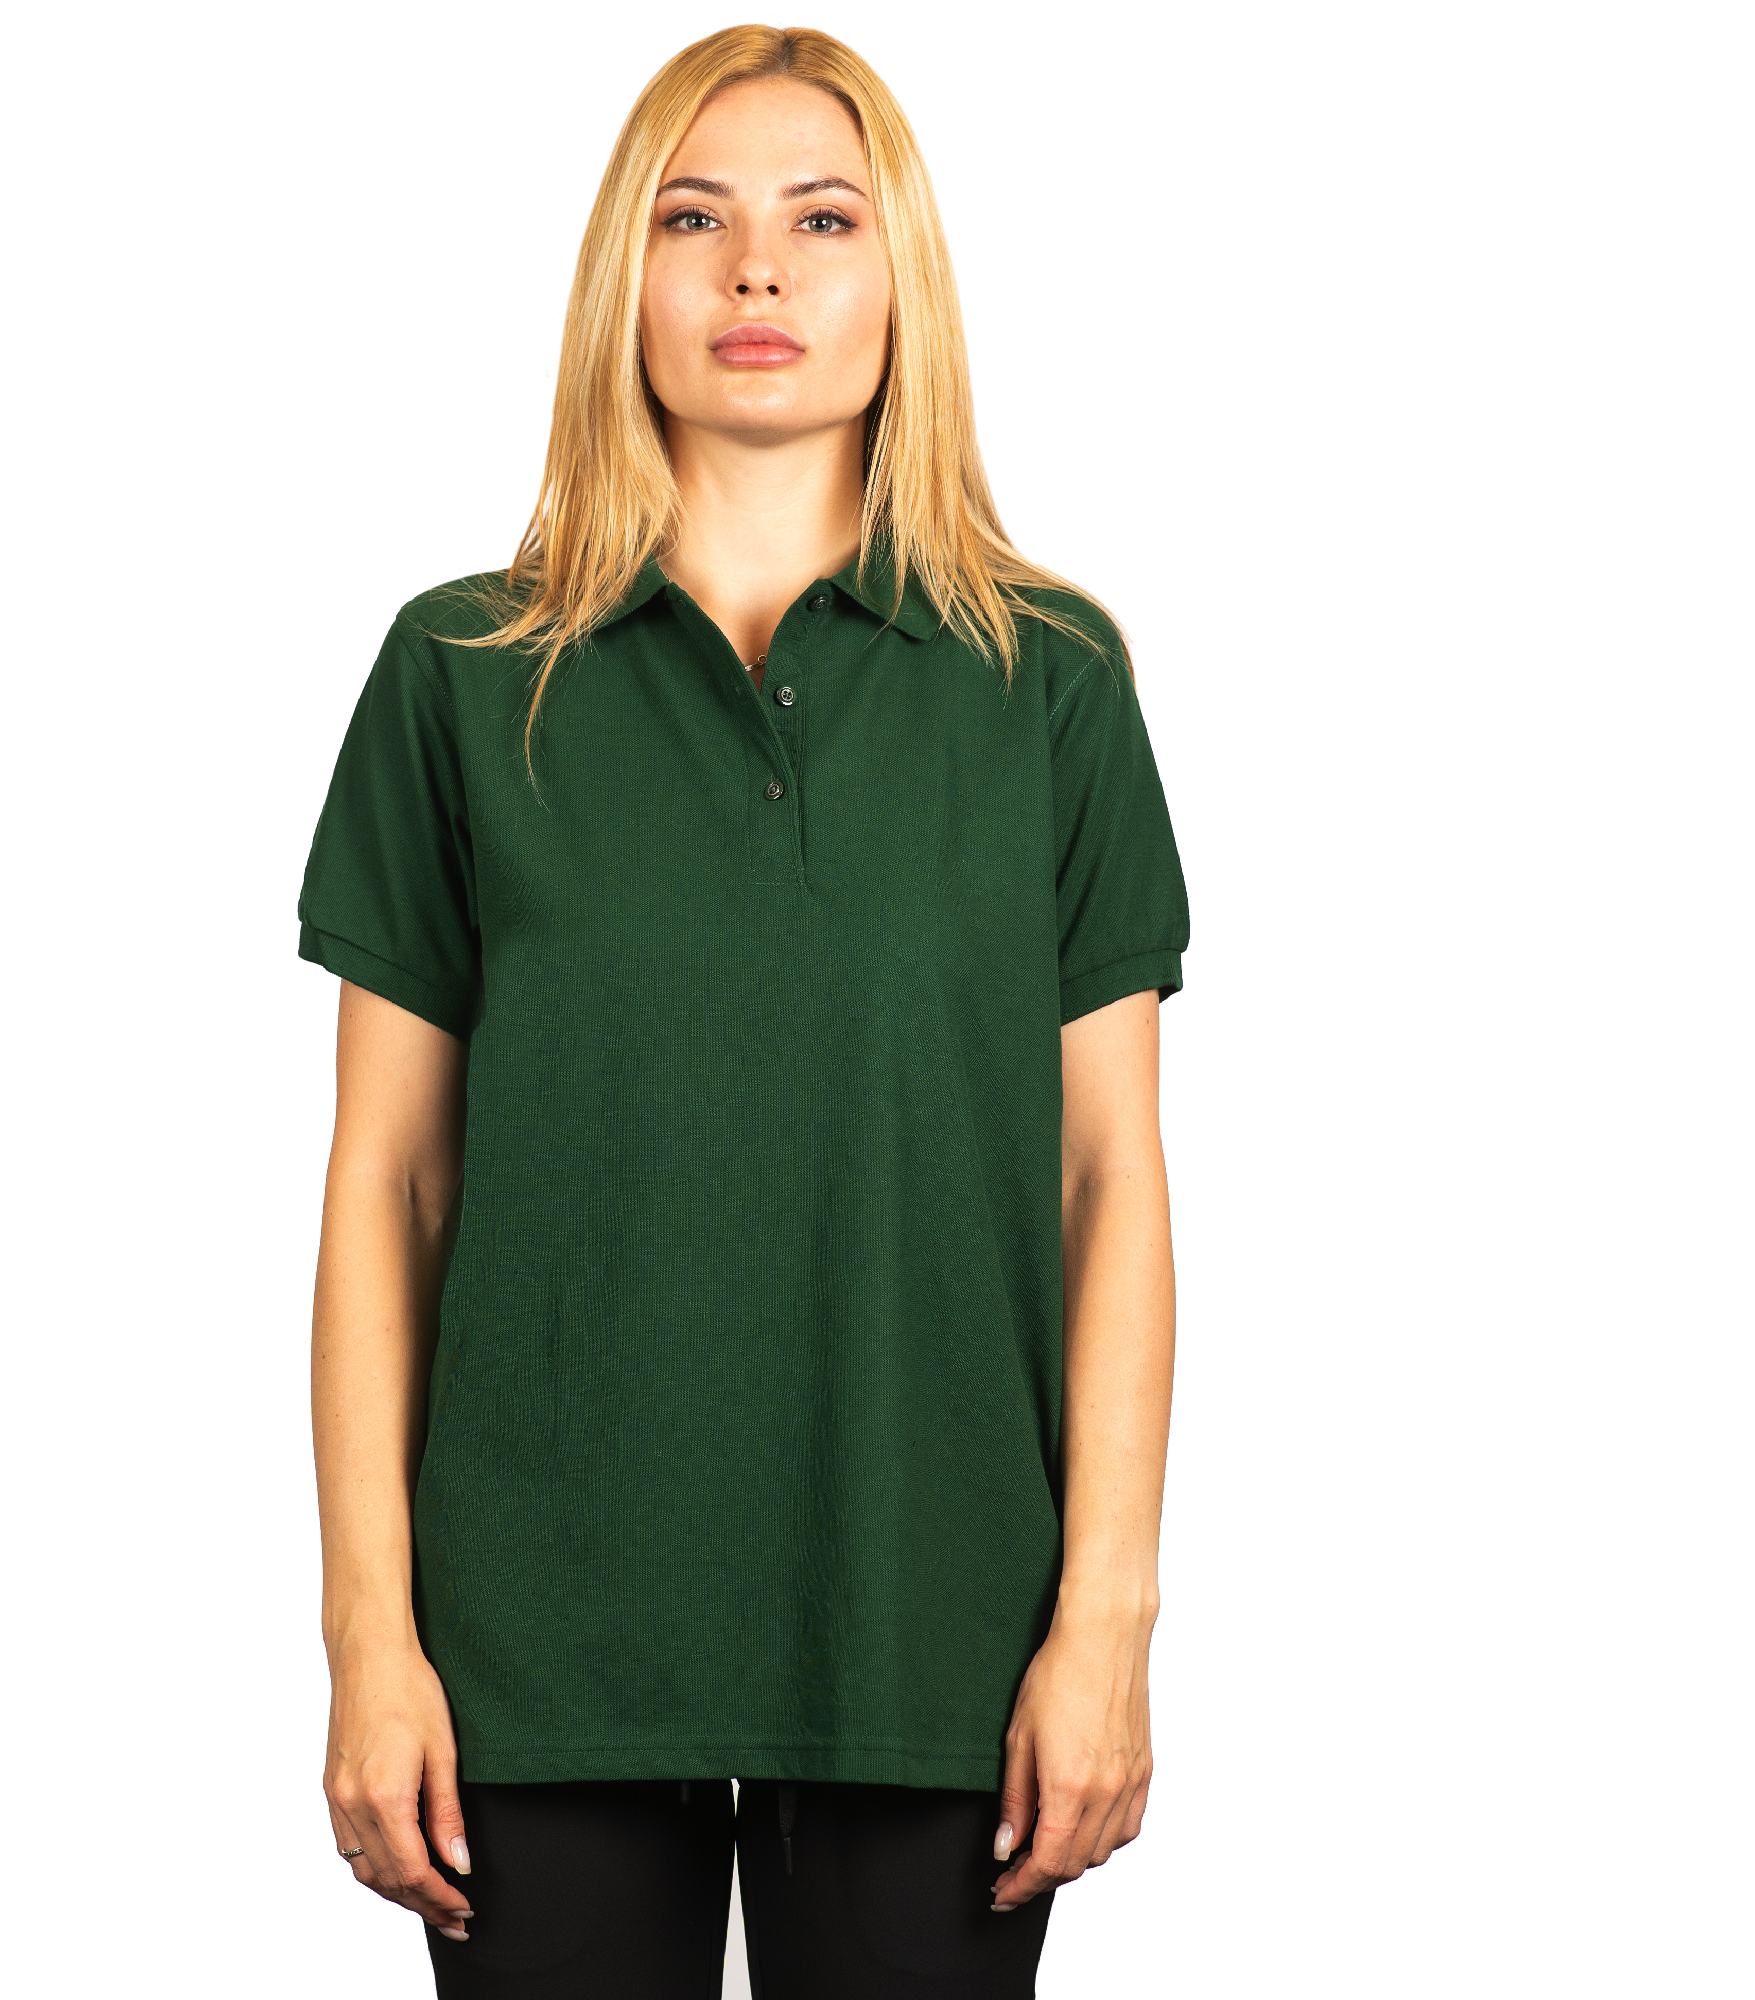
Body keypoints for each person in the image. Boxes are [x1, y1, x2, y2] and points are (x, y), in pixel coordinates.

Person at [297, 24, 1190, 1998]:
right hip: (531, 1643)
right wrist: (370, 1635)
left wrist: (1107, 1615)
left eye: (822, 219)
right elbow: (386, 1184)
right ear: (624, 274)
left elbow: (1111, 1177)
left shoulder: (1049, 682)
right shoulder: (463, 673)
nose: (757, 269)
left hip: (937, 1622)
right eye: (692, 219)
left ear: (903, 276)